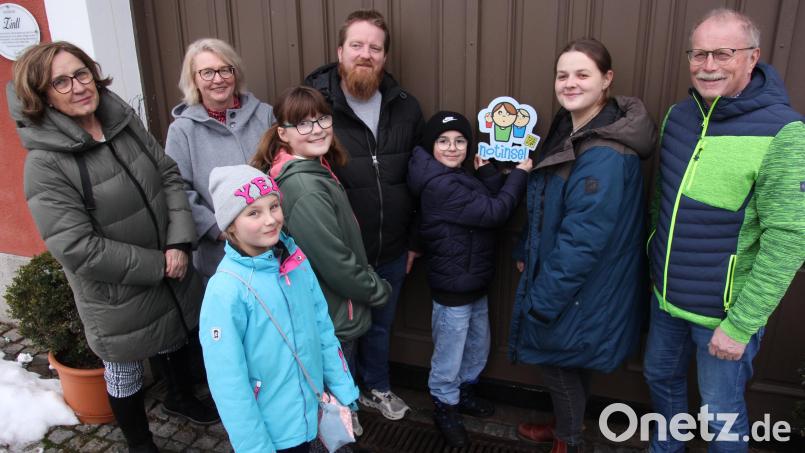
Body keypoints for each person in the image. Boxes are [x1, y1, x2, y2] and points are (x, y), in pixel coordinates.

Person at [8, 41, 218, 453]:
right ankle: (139, 443)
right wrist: (158, 264)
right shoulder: (45, 165)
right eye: (61, 82)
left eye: (82, 73)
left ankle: (180, 398)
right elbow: (77, 247)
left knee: (174, 333)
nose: (77, 87)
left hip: (169, 263)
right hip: (116, 291)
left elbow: (168, 175)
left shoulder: (121, 122)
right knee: (124, 372)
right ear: (41, 95)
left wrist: (178, 240)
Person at [644, 9, 805, 452]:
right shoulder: (679, 117)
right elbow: (663, 201)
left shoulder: (784, 132)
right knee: (661, 379)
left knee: (720, 412)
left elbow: (790, 239)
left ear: (752, 58)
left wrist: (742, 325)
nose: (708, 65)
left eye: (722, 53)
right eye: (699, 53)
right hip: (666, 300)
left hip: (725, 313)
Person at [509, 38, 656, 453]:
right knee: (570, 357)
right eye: (562, 75)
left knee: (556, 358)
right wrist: (525, 250)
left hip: (583, 283)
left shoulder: (604, 152)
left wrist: (544, 298)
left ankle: (569, 441)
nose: (569, 83)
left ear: (606, 80)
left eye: (582, 74)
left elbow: (583, 238)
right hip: (574, 279)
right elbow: (546, 204)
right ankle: (565, 426)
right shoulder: (571, 127)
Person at [304, 9, 424, 420]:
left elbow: (420, 180)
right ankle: (342, 402)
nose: (365, 54)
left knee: (380, 326)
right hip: (337, 253)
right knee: (340, 334)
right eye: (356, 45)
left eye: (375, 47)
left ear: (385, 57)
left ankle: (376, 387)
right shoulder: (314, 105)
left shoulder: (405, 108)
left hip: (391, 248)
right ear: (340, 51)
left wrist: (412, 242)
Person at [200, 165, 358, 452]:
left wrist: (343, 388)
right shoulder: (225, 290)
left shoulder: (296, 261)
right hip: (272, 431)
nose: (271, 220)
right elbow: (228, 383)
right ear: (230, 225)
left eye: (274, 206)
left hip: (311, 413)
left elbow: (322, 329)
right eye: (253, 213)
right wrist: (255, 447)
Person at [407, 111, 531, 447]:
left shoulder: (457, 176)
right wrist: (519, 175)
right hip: (453, 286)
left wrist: (487, 172)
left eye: (460, 140)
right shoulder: (441, 184)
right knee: (450, 350)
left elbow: (485, 199)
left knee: (478, 343)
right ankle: (444, 405)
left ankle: (463, 391)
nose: (452, 147)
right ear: (431, 146)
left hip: (473, 280)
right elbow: (495, 212)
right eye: (443, 141)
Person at [165, 38, 275, 280]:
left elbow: (281, 168)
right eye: (207, 72)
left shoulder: (265, 116)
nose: (218, 79)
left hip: (273, 248)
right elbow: (178, 190)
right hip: (220, 256)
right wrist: (220, 229)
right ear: (193, 80)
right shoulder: (182, 131)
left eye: (225, 69)